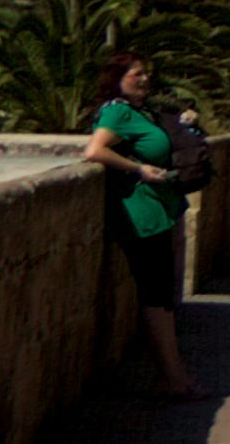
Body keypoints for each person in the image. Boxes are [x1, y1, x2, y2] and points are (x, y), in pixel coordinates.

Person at [81, 52, 204, 399]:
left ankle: (174, 374)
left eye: (146, 74)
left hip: (157, 211)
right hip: (140, 215)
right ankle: (172, 378)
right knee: (155, 294)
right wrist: (138, 169)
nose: (145, 79)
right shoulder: (117, 112)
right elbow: (94, 151)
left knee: (162, 294)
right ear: (117, 79)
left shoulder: (141, 111)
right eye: (136, 74)